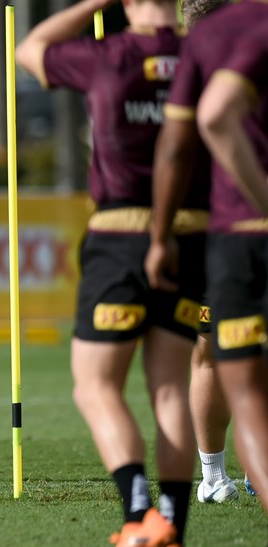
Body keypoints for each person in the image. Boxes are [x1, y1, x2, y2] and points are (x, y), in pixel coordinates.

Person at [17, 1, 198, 545]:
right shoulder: (202, 51)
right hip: (193, 234)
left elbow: (30, 49)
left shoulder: (110, 55)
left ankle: (138, 511)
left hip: (121, 235)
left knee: (95, 386)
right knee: (170, 389)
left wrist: (93, 3)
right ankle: (172, 524)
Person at [144, 0, 238, 506]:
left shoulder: (166, 75)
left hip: (201, 238)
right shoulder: (239, 64)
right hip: (232, 230)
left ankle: (213, 476)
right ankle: (216, 475)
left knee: (211, 354)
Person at [195, 18, 268, 514]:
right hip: (220, 235)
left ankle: (225, 473)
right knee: (216, 357)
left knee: (218, 358)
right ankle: (215, 475)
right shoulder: (200, 72)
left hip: (218, 239)